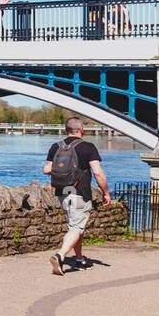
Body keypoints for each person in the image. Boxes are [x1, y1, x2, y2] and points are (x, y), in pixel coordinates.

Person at [43, 116, 112, 274]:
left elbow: (46, 169)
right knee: (76, 227)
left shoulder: (56, 146)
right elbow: (98, 172)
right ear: (82, 129)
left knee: (74, 227)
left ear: (66, 129)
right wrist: (106, 193)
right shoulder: (88, 147)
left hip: (62, 192)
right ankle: (60, 256)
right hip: (79, 192)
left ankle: (80, 259)